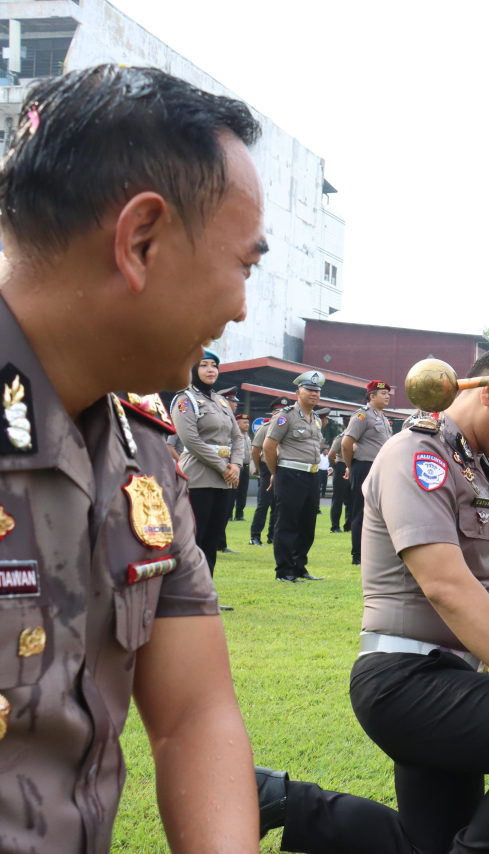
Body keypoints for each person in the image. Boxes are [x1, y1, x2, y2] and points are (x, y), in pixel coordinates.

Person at [0, 63, 263, 851]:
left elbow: (192, 715)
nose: (242, 306)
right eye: (245, 263)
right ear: (141, 241)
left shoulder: (138, 444)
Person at [255, 336, 489, 854]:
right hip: (405, 681)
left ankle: (278, 799)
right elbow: (445, 585)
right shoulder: (420, 453)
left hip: (445, 677)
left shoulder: (476, 465)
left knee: (428, 844)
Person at [170, 347, 245, 576]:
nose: (210, 370)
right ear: (192, 369)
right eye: (203, 365)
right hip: (198, 478)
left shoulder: (221, 402)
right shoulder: (185, 400)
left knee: (212, 540)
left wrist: (237, 465)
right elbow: (190, 441)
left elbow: (237, 436)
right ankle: (187, 595)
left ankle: (206, 594)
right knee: (194, 537)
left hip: (224, 480)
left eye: (214, 366)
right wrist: (224, 467)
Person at [264, 372, 327, 583]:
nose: (314, 394)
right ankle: (284, 570)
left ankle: (300, 566)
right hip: (290, 474)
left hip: (311, 475)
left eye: (317, 391)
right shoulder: (286, 416)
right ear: (297, 392)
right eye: (309, 389)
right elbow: (268, 446)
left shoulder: (316, 419)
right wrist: (276, 473)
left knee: (307, 525)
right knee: (287, 523)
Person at [343, 379, 393, 566]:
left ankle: (374, 553)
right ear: (372, 397)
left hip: (380, 468)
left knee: (378, 512)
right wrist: (351, 466)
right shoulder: (362, 416)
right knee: (361, 511)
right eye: (383, 394)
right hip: (363, 467)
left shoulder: (383, 418)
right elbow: (346, 443)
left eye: (388, 393)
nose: (387, 396)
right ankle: (358, 555)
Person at [250, 398, 290, 546]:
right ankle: (255, 536)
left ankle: (273, 535)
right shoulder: (266, 427)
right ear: (273, 413)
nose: (282, 414)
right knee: (264, 502)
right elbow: (255, 450)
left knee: (279, 503)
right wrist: (260, 470)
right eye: (279, 411)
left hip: (283, 466)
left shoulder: (288, 425)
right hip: (266, 467)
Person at [328, 426, 353, 533]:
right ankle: (335, 526)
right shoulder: (341, 438)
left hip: (352, 468)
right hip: (341, 466)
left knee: (352, 499)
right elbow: (331, 455)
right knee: (338, 499)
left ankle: (349, 525)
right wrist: (335, 467)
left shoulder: (355, 438)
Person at [233, 411, 253, 521]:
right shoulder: (235, 436)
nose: (247, 425)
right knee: (233, 491)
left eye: (248, 423)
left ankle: (239, 514)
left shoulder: (247, 436)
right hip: (237, 466)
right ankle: (229, 514)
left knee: (243, 491)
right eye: (244, 422)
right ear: (238, 424)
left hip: (246, 466)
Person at [316, 407, 332, 503]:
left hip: (323, 471)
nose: (327, 422)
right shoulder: (315, 431)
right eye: (326, 419)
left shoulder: (319, 432)